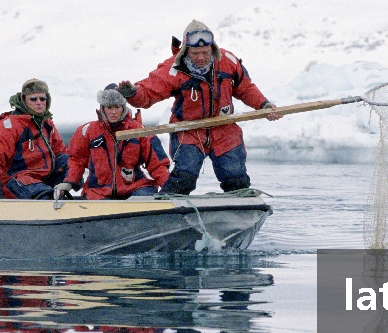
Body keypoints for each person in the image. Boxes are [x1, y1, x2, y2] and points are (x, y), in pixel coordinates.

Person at [117, 20, 281, 195]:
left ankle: (239, 212)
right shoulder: (173, 68)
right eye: (195, 53)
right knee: (184, 177)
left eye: (205, 52)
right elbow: (149, 92)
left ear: (213, 48)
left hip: (224, 129)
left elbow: (246, 88)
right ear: (186, 50)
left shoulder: (228, 61)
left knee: (235, 177)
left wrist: (263, 105)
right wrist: (133, 93)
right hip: (189, 130)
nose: (201, 57)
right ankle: (168, 209)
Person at [54, 84, 170, 200]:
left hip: (135, 188)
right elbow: (76, 161)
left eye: (117, 107)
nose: (113, 112)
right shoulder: (86, 131)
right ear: (102, 108)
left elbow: (157, 165)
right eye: (109, 107)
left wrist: (170, 188)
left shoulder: (140, 132)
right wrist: (69, 181)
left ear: (123, 107)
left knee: (145, 199)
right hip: (98, 192)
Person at [0, 78, 69, 205]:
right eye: (33, 99)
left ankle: (63, 198)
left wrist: (70, 178)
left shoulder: (47, 124)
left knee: (68, 161)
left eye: (42, 98)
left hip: (43, 182)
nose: (39, 102)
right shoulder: (7, 127)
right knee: (44, 196)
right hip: (16, 182)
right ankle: (49, 201)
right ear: (24, 100)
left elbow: (60, 153)